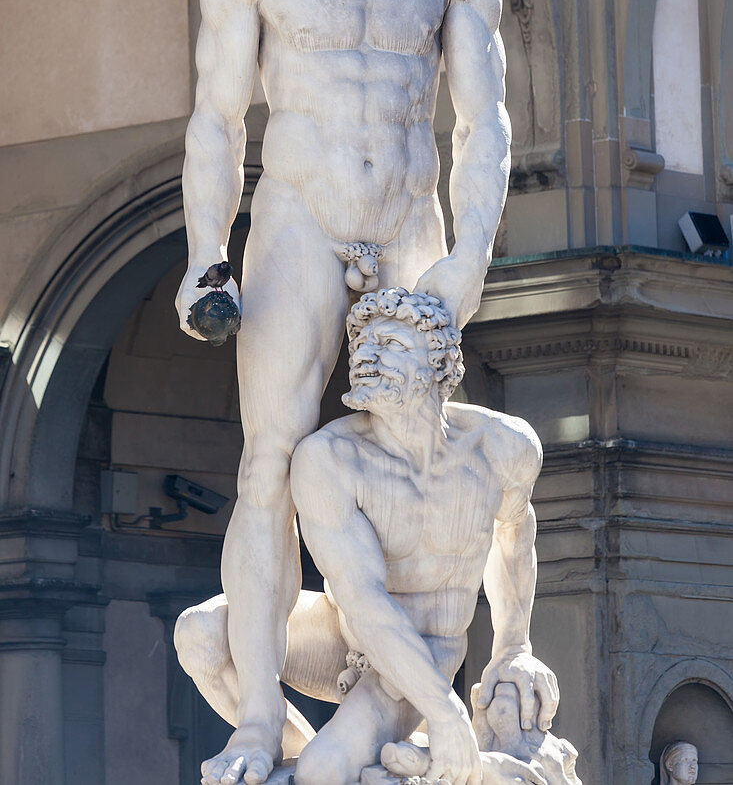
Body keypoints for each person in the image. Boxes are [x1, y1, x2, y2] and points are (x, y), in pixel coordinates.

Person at [174, 0, 511, 785]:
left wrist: (467, 259)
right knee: (267, 460)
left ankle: (480, 680)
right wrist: (204, 256)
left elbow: (484, 129)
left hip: (408, 219)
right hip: (299, 220)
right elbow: (217, 125)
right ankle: (254, 721)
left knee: (436, 451)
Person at [175, 290, 559, 785]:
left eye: (391, 343)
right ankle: (294, 757)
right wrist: (446, 715)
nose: (369, 355)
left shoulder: (503, 446)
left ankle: (390, 763)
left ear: (438, 361)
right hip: (343, 629)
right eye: (362, 346)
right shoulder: (330, 458)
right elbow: (360, 598)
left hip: (429, 642)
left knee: (325, 773)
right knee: (200, 632)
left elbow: (514, 534)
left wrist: (513, 646)